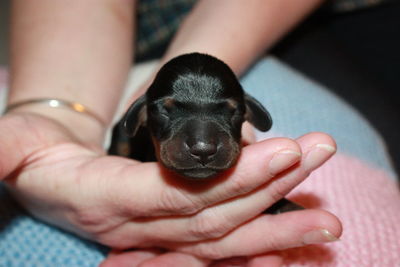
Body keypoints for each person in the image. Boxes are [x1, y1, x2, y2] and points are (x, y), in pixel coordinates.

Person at [0, 1, 398, 266]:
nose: (205, 143)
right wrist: (57, 114)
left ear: (247, 114)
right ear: (138, 116)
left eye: (226, 115)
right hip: (135, 35)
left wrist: (270, 201)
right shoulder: (131, 130)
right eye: (170, 114)